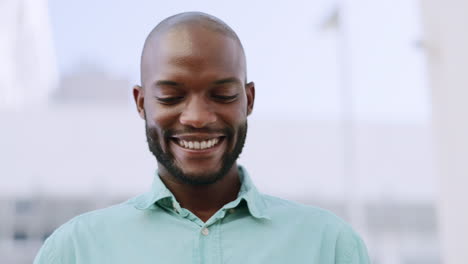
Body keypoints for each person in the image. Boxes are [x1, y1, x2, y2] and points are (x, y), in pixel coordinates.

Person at [34, 12, 370, 264]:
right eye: (170, 96)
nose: (196, 117)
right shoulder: (74, 250)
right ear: (141, 103)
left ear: (248, 100)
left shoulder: (329, 246)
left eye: (222, 94)